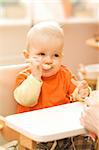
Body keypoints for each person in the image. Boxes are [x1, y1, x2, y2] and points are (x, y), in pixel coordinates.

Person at [14, 21, 96, 149]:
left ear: (62, 57)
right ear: (27, 56)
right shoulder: (24, 77)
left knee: (86, 141)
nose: (49, 60)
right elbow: (27, 100)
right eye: (41, 54)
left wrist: (82, 92)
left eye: (55, 55)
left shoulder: (64, 74)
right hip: (37, 136)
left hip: (64, 131)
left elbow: (76, 96)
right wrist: (35, 76)